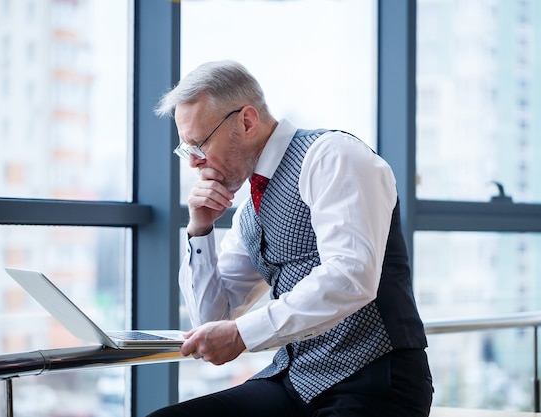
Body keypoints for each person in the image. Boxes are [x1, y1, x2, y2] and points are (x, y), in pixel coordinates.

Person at [148, 60, 433, 417]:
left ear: (247, 121)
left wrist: (241, 334)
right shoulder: (251, 208)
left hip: (374, 382)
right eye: (187, 150)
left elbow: (350, 276)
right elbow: (212, 315)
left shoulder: (331, 156)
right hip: (295, 380)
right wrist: (200, 229)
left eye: (199, 143)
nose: (194, 162)